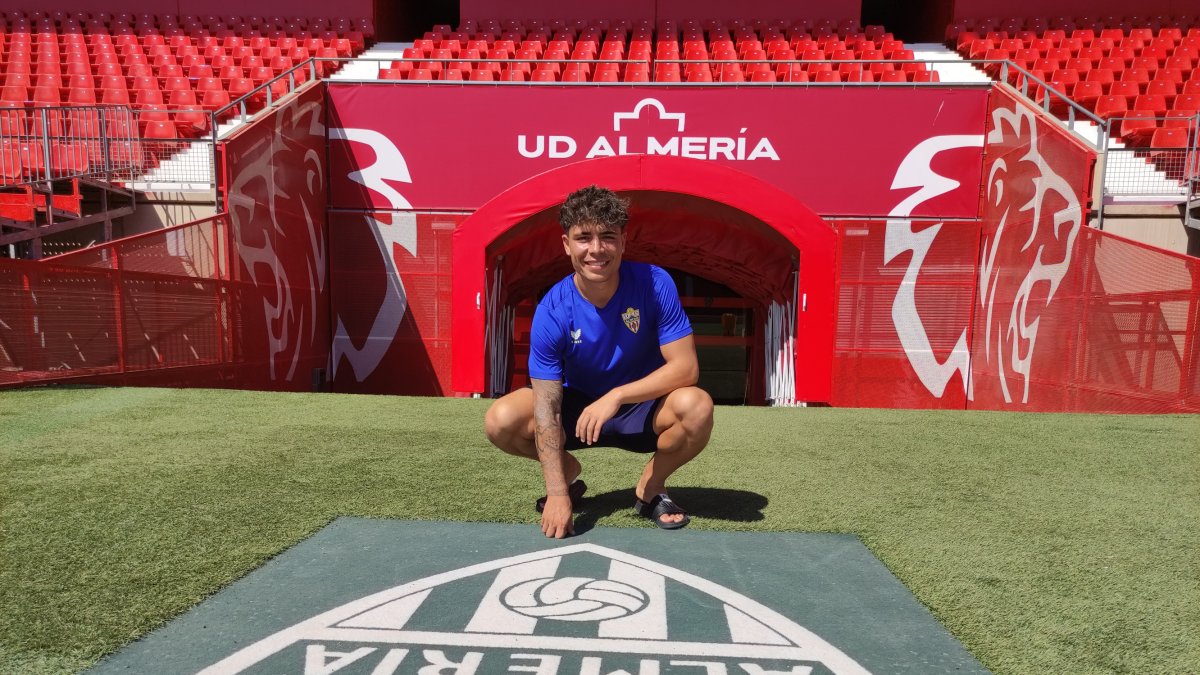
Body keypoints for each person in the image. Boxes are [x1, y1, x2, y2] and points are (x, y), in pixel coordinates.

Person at [484, 185, 714, 539]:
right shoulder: (552, 309)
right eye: (583, 237)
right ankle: (568, 472)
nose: (596, 249)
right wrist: (558, 493)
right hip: (575, 410)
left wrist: (617, 396)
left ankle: (651, 488)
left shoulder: (655, 283)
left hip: (641, 405)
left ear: (623, 242)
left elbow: (686, 369)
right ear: (566, 244)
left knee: (697, 406)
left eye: (607, 237)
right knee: (501, 420)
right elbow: (546, 404)